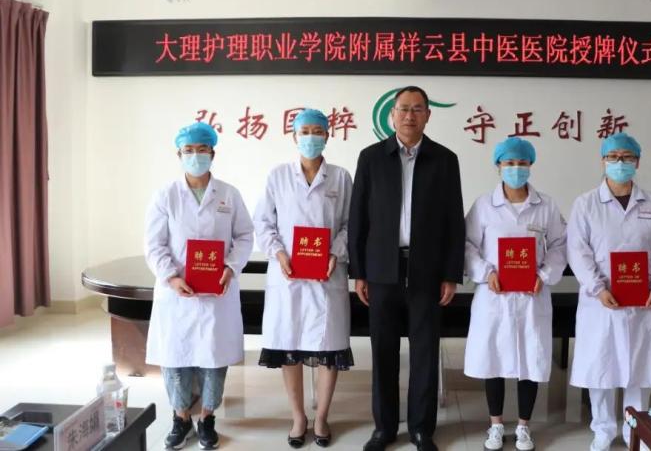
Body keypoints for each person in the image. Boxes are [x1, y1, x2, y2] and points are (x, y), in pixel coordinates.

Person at [348, 86, 465, 451]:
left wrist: (451, 274)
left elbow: (454, 220)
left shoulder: (444, 160)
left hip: (427, 271)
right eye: (403, 109)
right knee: (383, 352)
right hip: (382, 270)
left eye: (417, 109)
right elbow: (358, 218)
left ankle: (421, 429)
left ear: (428, 115)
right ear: (392, 115)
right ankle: (384, 428)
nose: (409, 116)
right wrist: (359, 272)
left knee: (425, 352)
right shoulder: (371, 158)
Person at [144, 122, 254, 450]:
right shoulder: (165, 195)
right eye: (188, 151)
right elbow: (154, 244)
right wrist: (171, 276)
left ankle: (207, 418)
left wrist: (231, 267)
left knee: (213, 358)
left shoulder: (229, 194)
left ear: (212, 154)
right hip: (176, 292)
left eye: (202, 150)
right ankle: (180, 418)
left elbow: (245, 236)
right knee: (176, 358)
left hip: (217, 292)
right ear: (179, 154)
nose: (195, 156)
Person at [567, 132, 651, 451]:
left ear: (637, 162)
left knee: (640, 369)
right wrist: (597, 288)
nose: (620, 162)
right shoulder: (586, 204)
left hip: (644, 299)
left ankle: (636, 430)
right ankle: (602, 429)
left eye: (627, 157)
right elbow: (578, 251)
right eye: (613, 157)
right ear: (603, 161)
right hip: (602, 301)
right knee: (601, 366)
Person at [253, 108, 353, 448]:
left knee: (329, 348)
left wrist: (335, 252)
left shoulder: (340, 177)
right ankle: (298, 416)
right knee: (290, 346)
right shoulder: (277, 176)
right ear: (294, 136)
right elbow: (263, 223)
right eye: (305, 131)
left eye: (317, 131)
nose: (311, 137)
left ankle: (322, 416)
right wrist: (279, 252)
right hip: (289, 277)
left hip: (327, 276)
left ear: (327, 136)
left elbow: (351, 224)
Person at [463, 137, 567, 451]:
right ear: (498, 166)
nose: (516, 169)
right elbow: (467, 246)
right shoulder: (484, 205)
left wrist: (544, 274)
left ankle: (523, 426)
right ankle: (495, 424)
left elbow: (560, 245)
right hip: (494, 297)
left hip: (532, 296)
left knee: (530, 361)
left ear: (530, 165)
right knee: (493, 360)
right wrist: (486, 273)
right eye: (509, 163)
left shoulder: (546, 205)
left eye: (522, 163)